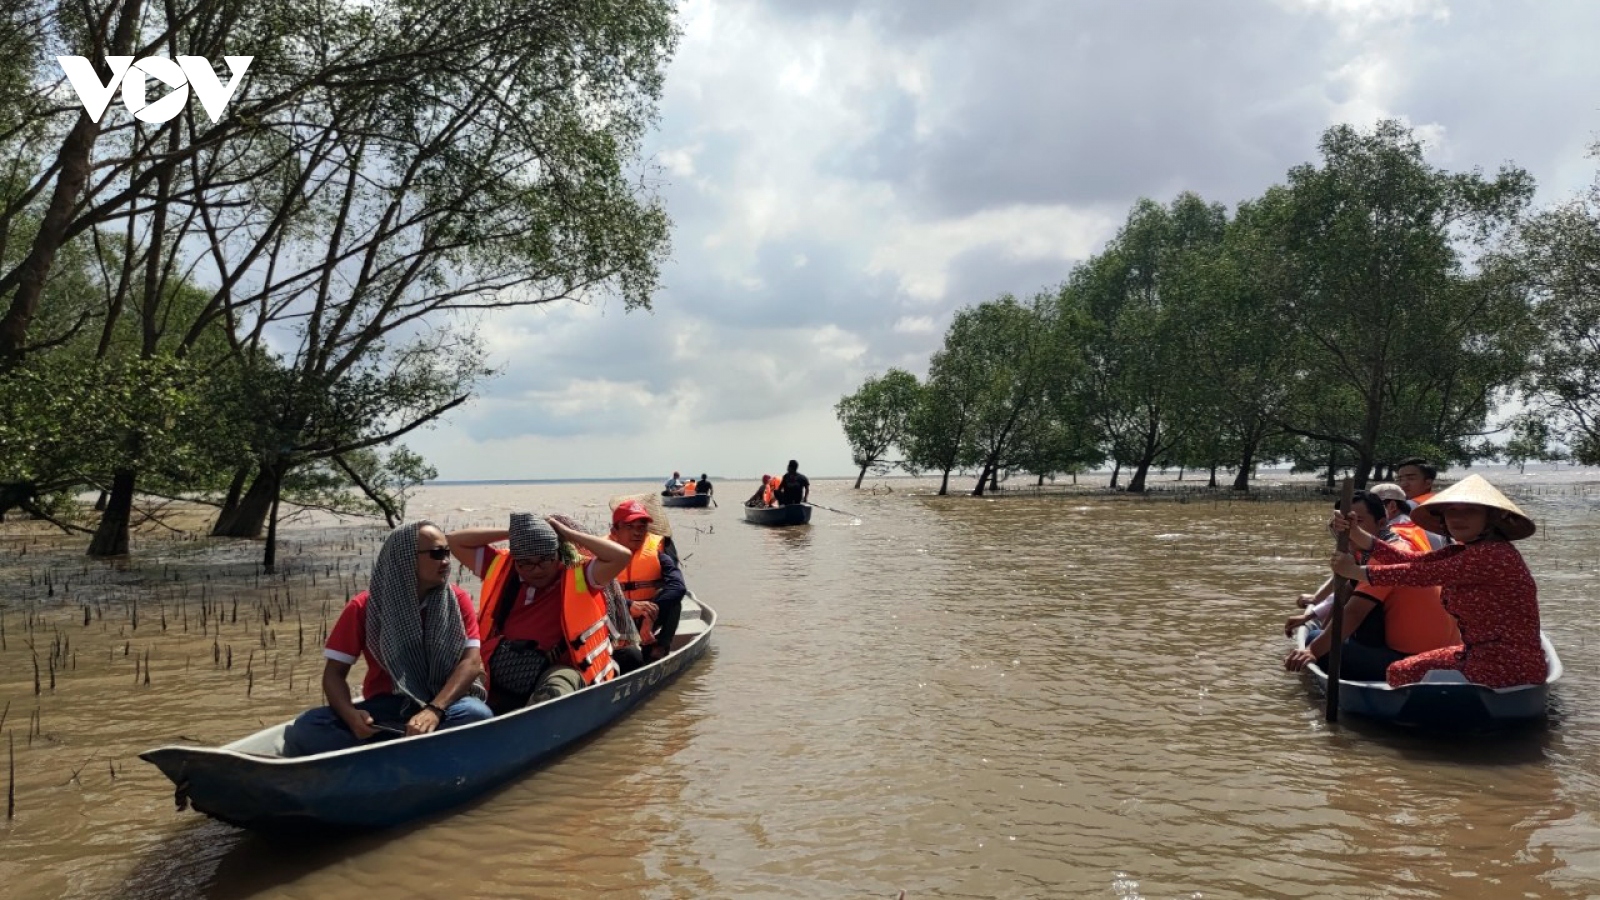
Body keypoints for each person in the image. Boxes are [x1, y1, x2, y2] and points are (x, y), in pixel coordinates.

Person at [282, 522, 492, 756]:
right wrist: (351, 716)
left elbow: (471, 663)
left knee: (477, 714)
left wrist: (434, 710)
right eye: (436, 554)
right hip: (387, 705)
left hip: (444, 702)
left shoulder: (457, 601)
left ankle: (392, 748)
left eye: (446, 553)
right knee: (308, 727)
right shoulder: (364, 607)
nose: (445, 561)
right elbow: (334, 674)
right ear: (405, 558)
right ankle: (404, 744)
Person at [1330, 474, 1545, 689]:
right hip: (1477, 653)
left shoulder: (1494, 555)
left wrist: (1355, 571)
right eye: (1451, 511)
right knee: (1400, 669)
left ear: (1490, 518)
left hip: (1508, 664)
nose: (1458, 519)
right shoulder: (1464, 551)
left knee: (1399, 671)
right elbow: (1406, 559)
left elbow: (1417, 575)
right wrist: (1355, 532)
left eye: (1470, 511)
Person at [447, 512, 634, 714]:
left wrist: (567, 534)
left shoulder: (581, 573)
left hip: (559, 666)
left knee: (556, 691)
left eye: (544, 560)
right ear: (516, 561)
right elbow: (455, 540)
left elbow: (621, 556)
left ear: (558, 554)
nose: (536, 570)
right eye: (526, 564)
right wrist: (514, 533)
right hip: (503, 661)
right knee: (457, 688)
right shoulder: (501, 566)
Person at [1285, 492, 1458, 680]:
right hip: (1439, 652)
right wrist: (1311, 615)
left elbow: (1354, 612)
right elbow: (1349, 590)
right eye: (1342, 524)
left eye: (1359, 521)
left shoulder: (1385, 556)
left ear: (1381, 523)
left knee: (1314, 639)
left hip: (1413, 659)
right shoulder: (1387, 548)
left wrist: (1312, 650)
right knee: (1324, 636)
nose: (1346, 529)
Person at [608, 499, 688, 664]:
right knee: (631, 658)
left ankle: (659, 648)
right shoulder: (599, 555)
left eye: (641, 527)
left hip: (645, 622)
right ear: (614, 530)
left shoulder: (658, 552)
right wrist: (628, 606)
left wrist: (648, 615)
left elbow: (678, 586)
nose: (637, 533)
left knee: (673, 601)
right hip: (614, 619)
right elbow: (587, 595)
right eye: (629, 527)